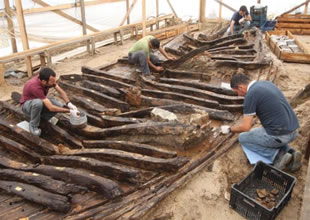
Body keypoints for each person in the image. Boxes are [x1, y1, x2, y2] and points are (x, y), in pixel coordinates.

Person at [221, 74, 301, 172]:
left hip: (281, 135)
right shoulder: (266, 83)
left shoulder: (250, 95)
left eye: (236, 91)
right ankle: (291, 152)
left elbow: (246, 127)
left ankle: (278, 157)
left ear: (241, 87)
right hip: (293, 130)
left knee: (243, 138)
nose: (238, 94)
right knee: (262, 132)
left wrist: (229, 129)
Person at [20, 67, 79, 136]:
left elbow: (60, 91)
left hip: (40, 100)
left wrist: (69, 103)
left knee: (58, 105)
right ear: (44, 82)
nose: (54, 83)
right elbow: (51, 108)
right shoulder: (35, 87)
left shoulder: (48, 80)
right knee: (38, 103)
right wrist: (69, 111)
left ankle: (42, 119)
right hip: (27, 106)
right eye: (52, 82)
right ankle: (33, 125)